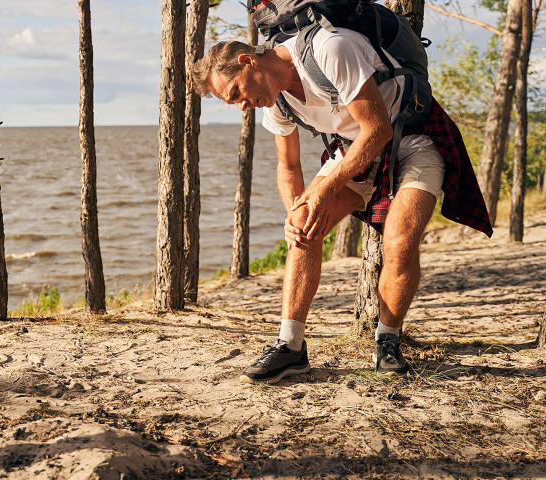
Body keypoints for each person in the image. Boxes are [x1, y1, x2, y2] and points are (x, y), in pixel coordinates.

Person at [191, 31, 492, 383]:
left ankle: (387, 342)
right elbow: (288, 167)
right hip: (353, 149)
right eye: (234, 103)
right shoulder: (276, 101)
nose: (242, 106)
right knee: (303, 227)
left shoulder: (330, 49)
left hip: (412, 137)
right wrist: (294, 212)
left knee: (400, 241)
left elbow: (378, 129)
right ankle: (290, 348)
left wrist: (324, 189)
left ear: (247, 62)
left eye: (237, 94)